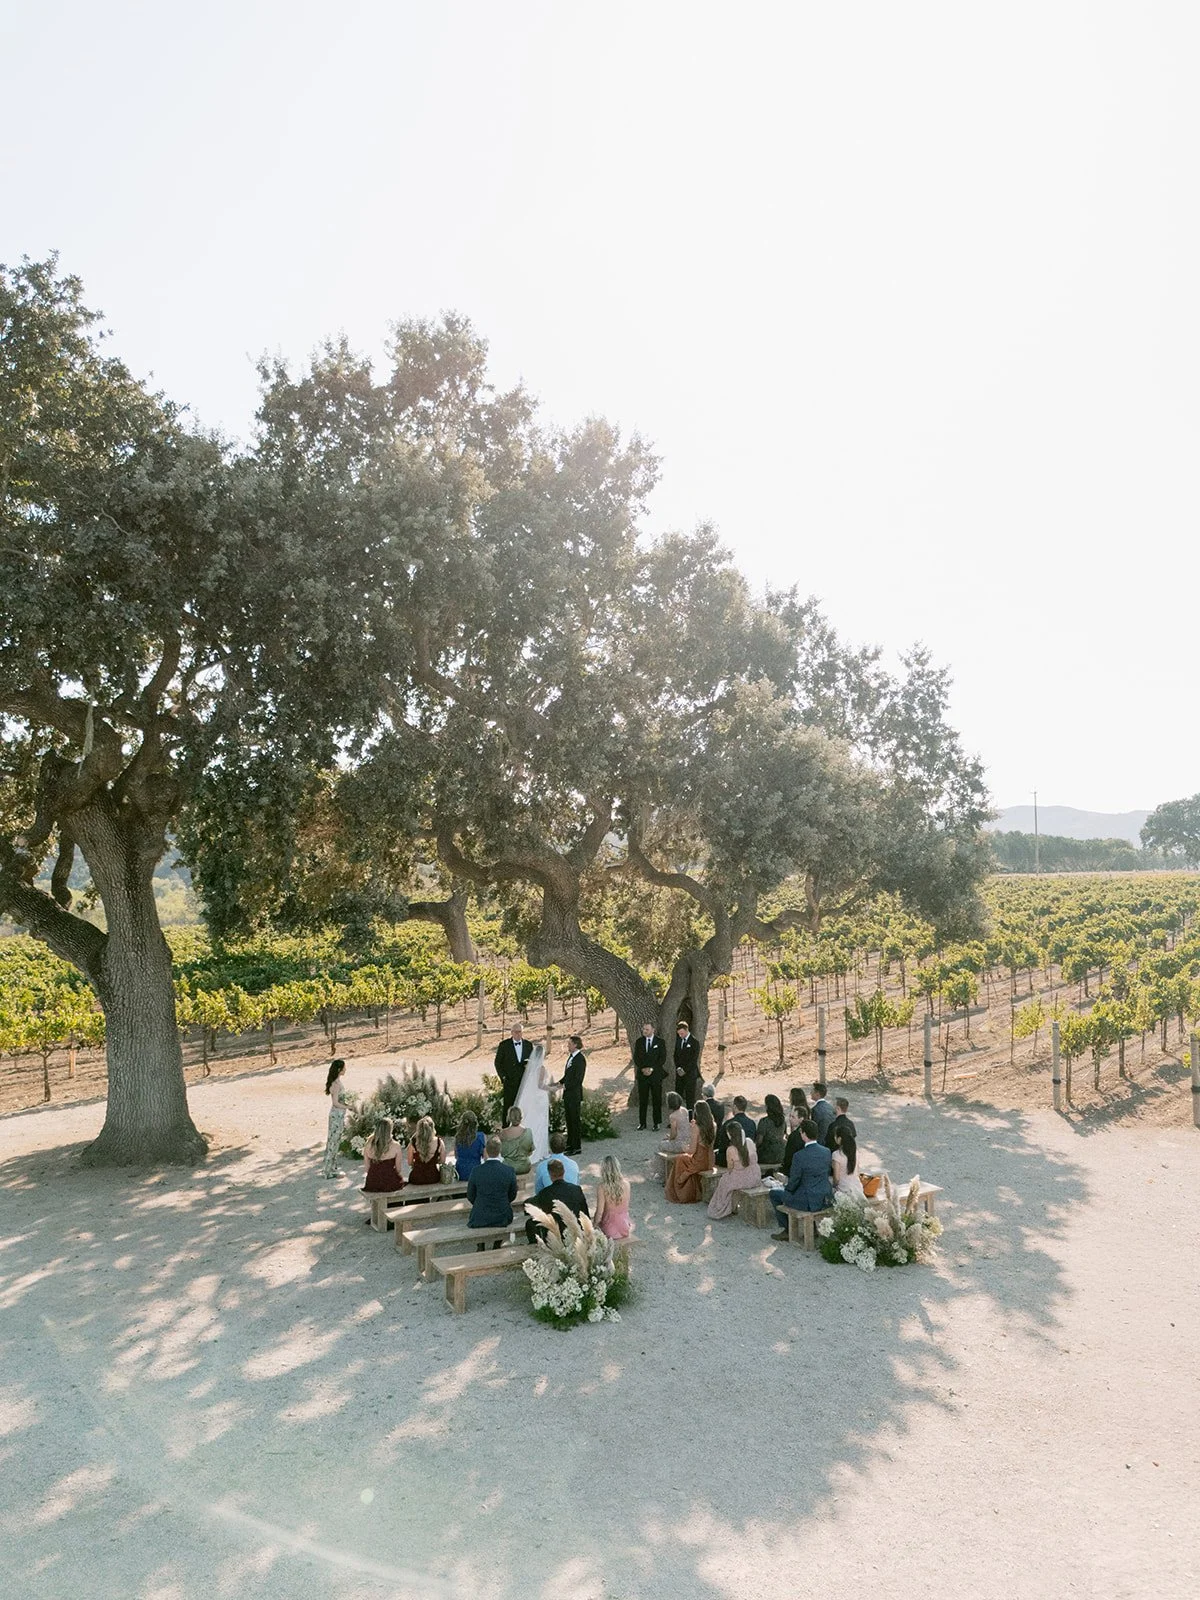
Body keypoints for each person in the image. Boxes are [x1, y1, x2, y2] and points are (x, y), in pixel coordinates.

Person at [770, 1119, 834, 1239]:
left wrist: (786, 1188)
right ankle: (813, 1229)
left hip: (807, 1199)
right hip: (824, 1196)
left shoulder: (799, 1156)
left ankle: (787, 1229)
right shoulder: (826, 1152)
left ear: (804, 1134)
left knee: (774, 1193)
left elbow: (794, 1181)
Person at [525, 1158, 590, 1243]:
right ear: (564, 1172)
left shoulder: (545, 1193)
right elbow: (585, 1212)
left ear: (550, 1174)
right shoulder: (576, 1189)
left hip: (555, 1234)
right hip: (576, 1232)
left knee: (530, 1223)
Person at [707, 1120, 761, 1219]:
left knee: (724, 1180)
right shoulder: (749, 1142)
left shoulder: (731, 1149)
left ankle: (721, 1207)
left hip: (741, 1178)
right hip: (755, 1176)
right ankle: (733, 1206)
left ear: (730, 1135)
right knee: (728, 1181)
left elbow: (730, 1168)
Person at [467, 1136, 518, 1241]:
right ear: (500, 1150)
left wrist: (480, 1203)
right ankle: (497, 1243)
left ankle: (480, 1245)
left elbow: (470, 1195)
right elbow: (513, 1194)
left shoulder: (476, 1171)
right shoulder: (509, 1171)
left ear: (486, 1150)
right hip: (502, 1214)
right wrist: (503, 1201)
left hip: (480, 1214)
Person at [665, 1098, 716, 1204]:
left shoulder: (696, 1127)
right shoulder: (713, 1125)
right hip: (710, 1161)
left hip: (699, 1161)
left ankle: (682, 1192)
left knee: (679, 1159)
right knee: (684, 1160)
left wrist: (685, 1148)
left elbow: (692, 1151)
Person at [515, 1041, 554, 1164]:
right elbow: (540, 1085)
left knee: (532, 1121)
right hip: (540, 1098)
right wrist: (552, 1089)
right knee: (540, 1122)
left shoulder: (531, 1067)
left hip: (532, 1098)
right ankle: (540, 1150)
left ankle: (527, 1146)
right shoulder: (541, 1068)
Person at [494, 1023, 534, 1120]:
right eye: (516, 1032)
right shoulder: (504, 1045)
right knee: (508, 1105)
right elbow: (498, 1063)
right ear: (511, 1032)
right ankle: (506, 1126)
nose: (518, 1034)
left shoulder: (528, 1045)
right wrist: (503, 1077)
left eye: (520, 1032)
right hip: (509, 1081)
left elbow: (532, 1062)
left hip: (524, 1081)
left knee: (523, 1105)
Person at [633, 1022, 668, 1130]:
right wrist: (643, 1069)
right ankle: (642, 1123)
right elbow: (636, 1057)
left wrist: (651, 1069)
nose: (644, 1031)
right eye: (643, 1029)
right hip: (643, 1075)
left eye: (647, 1029)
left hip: (655, 1075)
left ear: (653, 1030)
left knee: (656, 1099)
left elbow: (662, 1058)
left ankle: (656, 1123)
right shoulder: (639, 1042)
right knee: (643, 1099)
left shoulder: (660, 1042)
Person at [360, 1116, 405, 1196]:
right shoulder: (396, 1146)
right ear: (390, 1130)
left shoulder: (368, 1145)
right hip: (390, 1182)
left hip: (372, 1183)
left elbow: (367, 1169)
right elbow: (398, 1170)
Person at [558, 1034, 587, 1156]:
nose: (567, 1046)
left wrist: (566, 1086)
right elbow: (568, 1075)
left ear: (575, 1044)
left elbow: (578, 1079)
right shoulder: (571, 1058)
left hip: (574, 1094)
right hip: (568, 1094)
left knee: (575, 1121)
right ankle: (570, 1144)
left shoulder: (580, 1059)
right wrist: (560, 1082)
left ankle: (576, 1147)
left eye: (569, 1044)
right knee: (569, 1120)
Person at [653, 1092, 691, 1181]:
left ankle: (661, 1174)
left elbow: (673, 1134)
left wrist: (669, 1137)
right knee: (664, 1144)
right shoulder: (684, 1110)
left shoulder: (673, 1116)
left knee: (660, 1145)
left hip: (680, 1144)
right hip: (688, 1141)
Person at [593, 1153, 632, 1241]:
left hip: (609, 1228)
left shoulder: (602, 1187)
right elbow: (626, 1207)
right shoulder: (627, 1184)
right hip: (624, 1226)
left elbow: (599, 1213)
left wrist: (593, 1226)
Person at [321, 1058, 349, 1178]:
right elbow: (335, 1103)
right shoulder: (336, 1084)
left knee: (335, 1141)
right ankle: (328, 1171)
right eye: (344, 1067)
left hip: (338, 1114)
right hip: (336, 1114)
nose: (345, 1069)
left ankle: (331, 1167)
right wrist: (348, 1106)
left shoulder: (337, 1082)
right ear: (339, 1069)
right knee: (333, 1141)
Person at [714, 1094, 754, 1167]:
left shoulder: (728, 1124)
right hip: (747, 1156)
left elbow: (722, 1144)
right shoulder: (751, 1123)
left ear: (735, 1107)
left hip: (731, 1157)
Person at [407, 1115, 447, 1186]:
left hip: (416, 1178)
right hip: (433, 1177)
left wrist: (417, 1164)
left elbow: (410, 1162)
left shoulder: (413, 1142)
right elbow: (442, 1161)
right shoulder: (439, 1142)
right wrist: (434, 1161)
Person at [499, 1105, 535, 1174]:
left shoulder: (503, 1133)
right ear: (521, 1117)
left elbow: (501, 1153)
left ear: (509, 1118)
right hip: (525, 1167)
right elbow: (530, 1152)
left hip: (508, 1166)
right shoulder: (528, 1132)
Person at [673, 1021, 701, 1110]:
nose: (680, 1035)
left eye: (682, 1033)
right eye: (679, 1034)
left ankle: (690, 1115)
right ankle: (678, 1113)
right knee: (678, 1095)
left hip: (690, 1073)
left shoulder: (694, 1042)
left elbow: (693, 1059)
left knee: (690, 1097)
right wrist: (678, 1068)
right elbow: (676, 1055)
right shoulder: (678, 1041)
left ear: (686, 1030)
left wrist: (684, 1070)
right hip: (679, 1073)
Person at [755, 1093, 788, 1168]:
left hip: (767, 1154)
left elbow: (759, 1141)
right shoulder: (783, 1121)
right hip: (780, 1154)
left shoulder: (764, 1121)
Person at [453, 1110, 486, 1184]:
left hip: (460, 1172)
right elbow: (485, 1157)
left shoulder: (457, 1137)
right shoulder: (480, 1136)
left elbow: (456, 1156)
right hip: (475, 1171)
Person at [831, 1127, 864, 1197]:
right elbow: (858, 1172)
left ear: (839, 1139)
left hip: (844, 1190)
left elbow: (836, 1178)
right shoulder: (855, 1152)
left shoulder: (836, 1154)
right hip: (857, 1187)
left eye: (835, 1136)